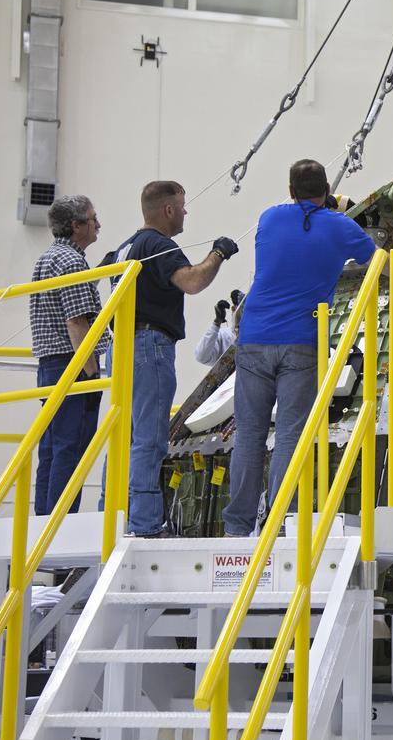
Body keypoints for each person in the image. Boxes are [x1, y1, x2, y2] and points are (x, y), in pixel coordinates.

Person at [222, 160, 376, 537]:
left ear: (291, 190)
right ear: (325, 189)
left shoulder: (269, 218)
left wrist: (320, 207)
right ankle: (279, 523)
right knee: (290, 433)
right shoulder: (341, 226)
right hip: (302, 341)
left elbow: (293, 220)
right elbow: (381, 263)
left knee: (249, 434)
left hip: (255, 337)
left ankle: (237, 526)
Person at [109, 181, 239, 537]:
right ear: (167, 209)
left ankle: (114, 516)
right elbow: (192, 282)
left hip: (118, 347)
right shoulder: (157, 244)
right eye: (182, 206)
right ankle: (146, 524)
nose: (185, 212)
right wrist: (219, 253)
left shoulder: (123, 248)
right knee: (149, 438)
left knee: (123, 437)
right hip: (149, 345)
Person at [28, 195, 109, 516]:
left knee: (51, 448)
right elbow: (76, 321)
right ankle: (60, 526)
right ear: (76, 226)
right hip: (72, 365)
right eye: (92, 218)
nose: (98, 224)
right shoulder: (72, 263)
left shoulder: (48, 258)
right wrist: (90, 372)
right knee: (71, 448)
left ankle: (43, 523)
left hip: (50, 366)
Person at [194, 290, 244, 366]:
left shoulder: (264, 332)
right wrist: (217, 322)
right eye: (241, 308)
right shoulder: (224, 335)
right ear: (233, 310)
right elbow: (201, 356)